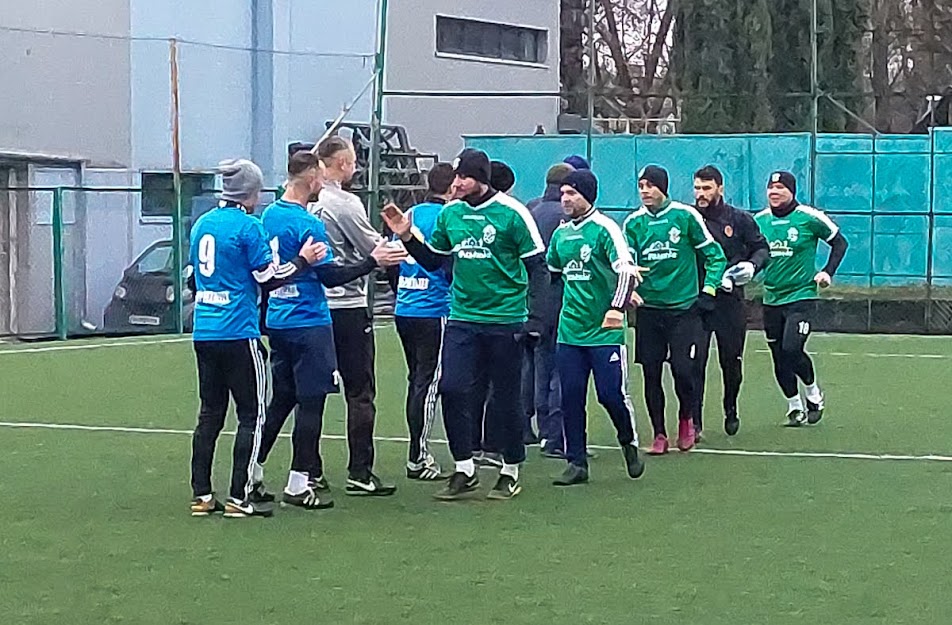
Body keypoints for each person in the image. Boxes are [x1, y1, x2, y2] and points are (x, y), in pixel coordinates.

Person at [382, 148, 547, 501]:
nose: (456, 183)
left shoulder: (512, 214)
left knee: (505, 398)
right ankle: (464, 468)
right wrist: (408, 236)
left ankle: (510, 469)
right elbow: (435, 262)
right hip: (462, 319)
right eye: (456, 177)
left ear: (481, 180)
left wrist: (535, 318)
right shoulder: (450, 214)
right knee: (453, 389)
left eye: (464, 177)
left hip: (505, 320)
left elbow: (537, 267)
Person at [253, 152, 405, 508]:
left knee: (281, 400)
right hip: (309, 321)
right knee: (312, 402)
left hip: (278, 319)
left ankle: (253, 470)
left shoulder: (269, 215)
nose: (323, 184)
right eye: (320, 178)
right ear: (310, 180)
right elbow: (330, 275)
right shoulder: (308, 225)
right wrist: (373, 262)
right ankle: (298, 482)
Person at [188, 159, 325, 518]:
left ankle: (202, 494)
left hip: (204, 331)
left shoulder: (203, 223)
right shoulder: (248, 227)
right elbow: (269, 277)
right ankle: (240, 495)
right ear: (250, 193)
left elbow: (192, 280)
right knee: (253, 413)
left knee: (209, 414)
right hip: (238, 331)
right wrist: (303, 260)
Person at [547, 169, 646, 486]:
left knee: (610, 395)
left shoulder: (606, 229)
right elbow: (552, 271)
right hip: (570, 332)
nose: (565, 199)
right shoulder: (561, 235)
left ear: (587, 196)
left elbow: (627, 272)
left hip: (605, 331)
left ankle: (628, 441)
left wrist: (616, 307)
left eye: (572, 193)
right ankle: (576, 462)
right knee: (571, 396)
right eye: (563, 193)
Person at [623, 165, 727, 454]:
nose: (644, 190)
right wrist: (629, 288)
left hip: (683, 310)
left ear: (663, 188)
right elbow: (627, 265)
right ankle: (659, 434)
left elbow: (715, 257)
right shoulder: (633, 223)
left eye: (650, 185)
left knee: (684, 370)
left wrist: (708, 291)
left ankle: (686, 419)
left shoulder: (685, 216)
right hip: (649, 311)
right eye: (641, 185)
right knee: (651, 373)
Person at [315, 136, 396, 495]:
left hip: (310, 308)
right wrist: (408, 244)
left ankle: (307, 470)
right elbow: (374, 250)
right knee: (359, 390)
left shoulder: (302, 203)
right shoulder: (344, 204)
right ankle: (360, 471)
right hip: (345, 306)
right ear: (343, 164)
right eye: (352, 162)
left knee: (309, 391)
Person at [755, 171, 848, 427]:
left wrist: (827, 272)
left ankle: (813, 395)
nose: (774, 192)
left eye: (780, 187)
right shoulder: (760, 221)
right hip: (771, 297)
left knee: (791, 348)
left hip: (801, 295)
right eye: (771, 187)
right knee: (778, 355)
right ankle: (794, 406)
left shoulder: (809, 218)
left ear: (792, 191)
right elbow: (751, 252)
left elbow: (840, 243)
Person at [693, 165, 769, 438]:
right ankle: (695, 421)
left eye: (706, 188)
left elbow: (762, 248)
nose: (701, 194)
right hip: (698, 302)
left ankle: (730, 407)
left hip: (730, 301)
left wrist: (751, 266)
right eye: (697, 188)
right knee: (693, 362)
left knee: (731, 360)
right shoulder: (688, 218)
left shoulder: (739, 219)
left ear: (720, 189)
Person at [392, 162, 455, 481]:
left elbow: (392, 259)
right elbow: (450, 265)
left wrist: (401, 289)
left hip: (405, 308)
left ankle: (417, 450)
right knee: (429, 383)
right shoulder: (449, 217)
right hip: (434, 308)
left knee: (416, 380)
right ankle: (418, 456)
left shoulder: (411, 214)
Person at [527, 163, 576, 457]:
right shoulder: (566, 217)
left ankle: (537, 428)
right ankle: (556, 436)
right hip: (561, 300)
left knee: (535, 366)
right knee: (562, 368)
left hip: (532, 302)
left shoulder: (530, 209)